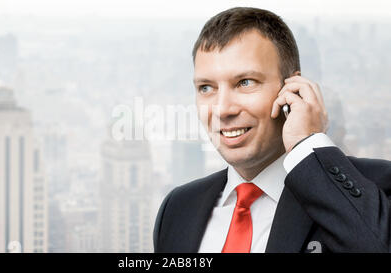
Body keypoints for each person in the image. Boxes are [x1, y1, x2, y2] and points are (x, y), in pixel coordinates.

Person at [153, 7, 391, 253]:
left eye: (245, 82)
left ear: (293, 89)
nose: (222, 110)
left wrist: (307, 143)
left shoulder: (376, 189)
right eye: (206, 88)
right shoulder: (179, 208)